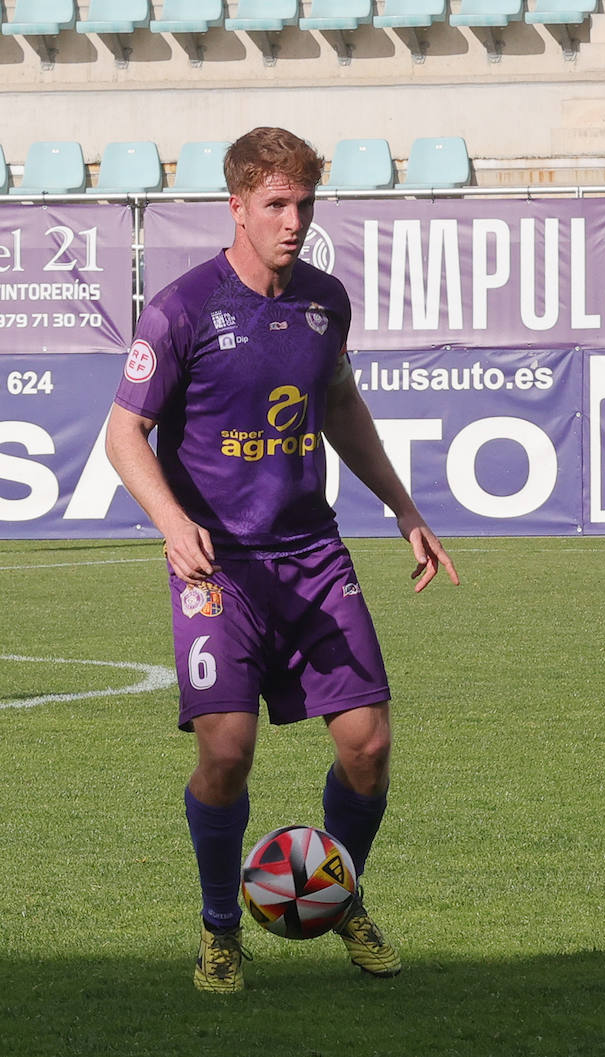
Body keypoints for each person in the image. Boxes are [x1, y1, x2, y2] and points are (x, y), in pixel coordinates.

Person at [106, 126, 460, 990]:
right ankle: (221, 927)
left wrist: (403, 507)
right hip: (218, 568)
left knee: (369, 744)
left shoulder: (325, 303)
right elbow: (125, 434)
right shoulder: (183, 307)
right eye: (275, 204)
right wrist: (170, 520)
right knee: (226, 750)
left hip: (311, 556)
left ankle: (339, 894)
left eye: (303, 203)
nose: (293, 220)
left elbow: (338, 403)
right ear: (236, 205)